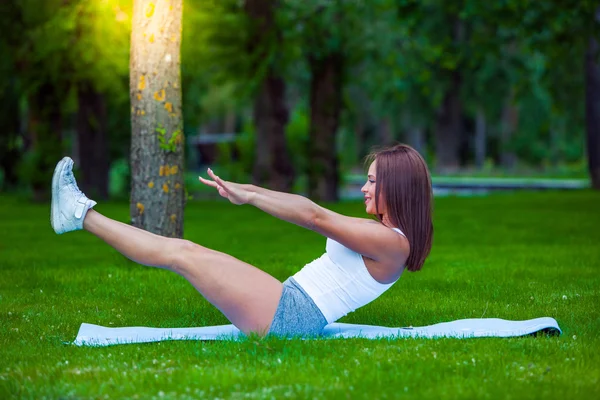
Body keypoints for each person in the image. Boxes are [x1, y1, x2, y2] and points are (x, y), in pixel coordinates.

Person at [50, 143, 433, 337]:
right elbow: (312, 210)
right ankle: (81, 215)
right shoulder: (384, 236)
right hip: (288, 307)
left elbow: (314, 215)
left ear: (396, 187)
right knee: (184, 252)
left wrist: (250, 195)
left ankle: (80, 214)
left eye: (371, 180)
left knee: (182, 253)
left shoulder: (392, 245)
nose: (364, 188)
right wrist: (246, 191)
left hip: (289, 315)